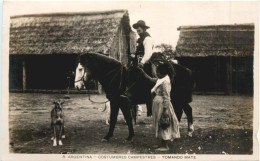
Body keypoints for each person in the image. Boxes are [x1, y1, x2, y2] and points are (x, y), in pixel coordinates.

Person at [151, 63, 180, 151]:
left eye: (157, 72)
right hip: (158, 104)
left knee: (164, 122)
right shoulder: (161, 79)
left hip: (162, 105)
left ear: (162, 72)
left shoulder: (166, 82)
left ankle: (165, 145)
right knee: (159, 123)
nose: (156, 74)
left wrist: (165, 110)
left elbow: (166, 96)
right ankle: (161, 143)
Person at [132, 20, 154, 116]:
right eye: (136, 27)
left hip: (145, 64)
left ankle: (150, 109)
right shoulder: (139, 39)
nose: (137, 29)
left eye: (139, 27)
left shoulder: (147, 38)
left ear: (144, 28)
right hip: (138, 63)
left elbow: (148, 53)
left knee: (147, 84)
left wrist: (142, 62)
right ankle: (135, 105)